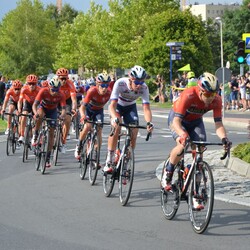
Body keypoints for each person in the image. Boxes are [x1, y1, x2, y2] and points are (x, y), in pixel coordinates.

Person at [162, 72, 231, 210]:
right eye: (207, 95)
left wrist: (224, 139)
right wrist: (182, 134)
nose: (210, 98)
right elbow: (176, 121)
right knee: (182, 145)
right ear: (199, 90)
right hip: (178, 119)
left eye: (213, 94)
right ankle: (168, 172)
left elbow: (218, 124)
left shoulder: (216, 100)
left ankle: (195, 194)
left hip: (195, 122)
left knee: (200, 152)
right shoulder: (189, 95)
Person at [103, 65, 154, 173]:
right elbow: (112, 105)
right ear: (131, 79)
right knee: (116, 126)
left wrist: (149, 122)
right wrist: (114, 118)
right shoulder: (120, 83)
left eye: (141, 82)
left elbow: (146, 108)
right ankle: (109, 158)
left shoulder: (144, 88)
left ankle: (127, 158)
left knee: (134, 130)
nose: (139, 85)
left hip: (130, 107)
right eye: (137, 83)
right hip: (118, 106)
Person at [74, 73, 112, 160]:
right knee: (87, 126)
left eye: (107, 85)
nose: (104, 88)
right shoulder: (92, 91)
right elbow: (82, 107)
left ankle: (96, 154)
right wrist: (83, 116)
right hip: (88, 110)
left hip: (99, 111)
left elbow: (112, 106)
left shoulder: (109, 93)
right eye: (102, 85)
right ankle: (79, 145)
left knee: (99, 130)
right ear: (98, 84)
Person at [32, 76, 66, 168]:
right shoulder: (43, 91)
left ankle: (47, 158)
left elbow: (63, 109)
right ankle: (35, 135)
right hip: (42, 108)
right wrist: (35, 114)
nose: (55, 92)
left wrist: (62, 116)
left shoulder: (61, 94)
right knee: (40, 115)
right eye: (53, 90)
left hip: (53, 111)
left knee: (51, 133)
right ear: (49, 87)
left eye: (57, 90)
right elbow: (35, 105)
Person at [56, 68, 77, 153]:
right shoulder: (54, 83)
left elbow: (74, 99)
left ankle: (63, 142)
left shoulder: (70, 84)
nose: (64, 81)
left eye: (65, 78)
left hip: (66, 101)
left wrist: (73, 109)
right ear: (58, 78)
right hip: (56, 100)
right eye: (62, 78)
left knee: (67, 119)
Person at [17, 74, 41, 143]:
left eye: (33, 84)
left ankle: (35, 135)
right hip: (28, 103)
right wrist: (19, 110)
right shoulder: (24, 89)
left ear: (36, 84)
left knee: (38, 118)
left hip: (36, 104)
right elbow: (20, 101)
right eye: (30, 83)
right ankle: (22, 135)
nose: (31, 85)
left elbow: (42, 102)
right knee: (24, 115)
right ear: (27, 83)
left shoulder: (39, 90)